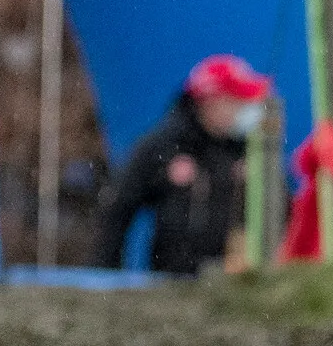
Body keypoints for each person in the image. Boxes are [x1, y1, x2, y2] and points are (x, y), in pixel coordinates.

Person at [91, 53, 271, 275]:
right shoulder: (164, 146)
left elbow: (282, 214)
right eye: (238, 101)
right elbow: (117, 208)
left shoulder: (251, 150)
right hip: (173, 283)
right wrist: (108, 277)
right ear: (212, 101)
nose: (247, 110)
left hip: (233, 284)